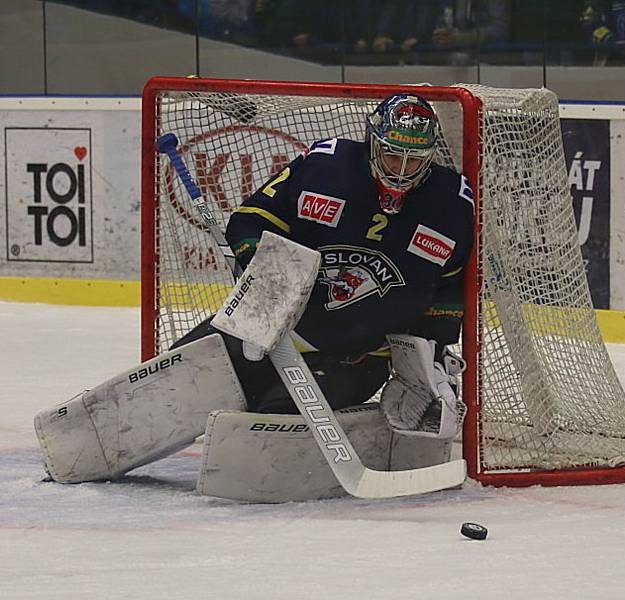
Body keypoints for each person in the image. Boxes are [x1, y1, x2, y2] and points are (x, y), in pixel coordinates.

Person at [172, 92, 474, 415]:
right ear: (372, 143)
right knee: (173, 381)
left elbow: (449, 290)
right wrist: (258, 264)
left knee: (274, 418)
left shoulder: (452, 206)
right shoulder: (325, 166)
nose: (401, 170)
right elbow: (252, 219)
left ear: (429, 158)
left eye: (413, 160)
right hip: (266, 327)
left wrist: (429, 358)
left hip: (356, 360)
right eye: (391, 156)